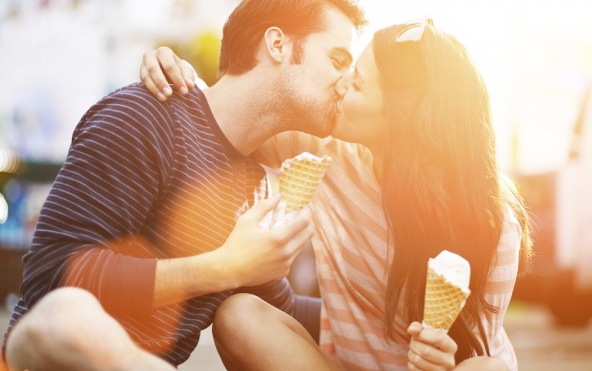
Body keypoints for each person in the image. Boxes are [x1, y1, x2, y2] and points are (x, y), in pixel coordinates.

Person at [2, 0, 368, 370]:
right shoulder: (147, 115)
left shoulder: (248, 182)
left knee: (245, 313)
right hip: (49, 359)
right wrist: (220, 268)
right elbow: (55, 278)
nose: (346, 83)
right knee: (67, 312)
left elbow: (284, 312)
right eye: (337, 60)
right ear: (277, 44)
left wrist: (403, 326)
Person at [139, 18, 532, 370]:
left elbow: (478, 349)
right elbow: (226, 116)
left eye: (357, 83)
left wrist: (441, 358)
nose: (339, 85)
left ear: (401, 118)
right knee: (238, 316)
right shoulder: (322, 150)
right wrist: (178, 75)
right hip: (339, 364)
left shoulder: (491, 222)